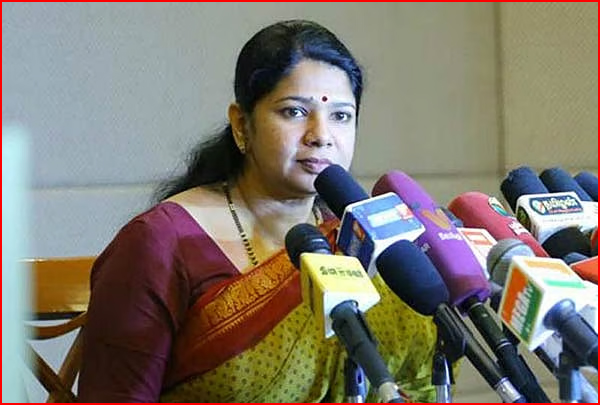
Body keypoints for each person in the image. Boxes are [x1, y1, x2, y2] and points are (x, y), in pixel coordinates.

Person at [78, 19, 440, 402]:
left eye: (341, 116)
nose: (321, 135)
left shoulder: (359, 240)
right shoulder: (159, 244)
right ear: (241, 125)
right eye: (294, 112)